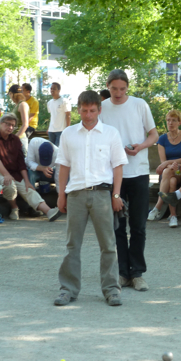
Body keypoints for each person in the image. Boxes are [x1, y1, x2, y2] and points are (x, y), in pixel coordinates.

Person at [54, 90, 128, 307]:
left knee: (108, 245)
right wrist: (61, 194)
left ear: (99, 110)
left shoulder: (111, 133)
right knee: (72, 245)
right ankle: (67, 290)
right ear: (78, 109)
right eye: (84, 110)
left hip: (102, 194)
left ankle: (112, 290)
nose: (88, 115)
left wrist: (116, 194)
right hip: (76, 194)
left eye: (92, 111)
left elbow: (118, 166)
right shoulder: (68, 133)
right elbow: (63, 166)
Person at [100, 69, 158, 292]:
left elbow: (154, 134)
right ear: (108, 86)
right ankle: (123, 272)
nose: (118, 93)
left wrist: (140, 146)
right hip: (113, 175)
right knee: (117, 226)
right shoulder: (102, 108)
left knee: (138, 225)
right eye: (114, 88)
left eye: (122, 89)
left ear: (127, 87)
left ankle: (137, 273)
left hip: (139, 172)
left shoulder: (139, 104)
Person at [0, 113, 61, 222]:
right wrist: (6, 174)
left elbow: (21, 162)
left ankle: (49, 211)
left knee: (29, 189)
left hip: (17, 172)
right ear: (1, 124)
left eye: (13, 125)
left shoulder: (15, 139)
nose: (10, 127)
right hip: (1, 172)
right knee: (9, 185)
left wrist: (27, 181)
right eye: (7, 124)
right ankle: (14, 208)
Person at [148, 110, 181, 227]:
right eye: (168, 120)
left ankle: (158, 206)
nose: (170, 123)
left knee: (168, 172)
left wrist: (169, 163)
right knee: (171, 180)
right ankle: (173, 216)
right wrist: (169, 165)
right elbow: (163, 161)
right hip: (167, 172)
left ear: (179, 122)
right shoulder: (162, 139)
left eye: (173, 120)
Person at [47, 82, 71, 146]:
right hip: (51, 131)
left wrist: (67, 129)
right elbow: (52, 116)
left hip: (61, 130)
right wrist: (49, 128)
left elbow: (68, 115)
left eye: (54, 89)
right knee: (51, 149)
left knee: (58, 149)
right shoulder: (49, 103)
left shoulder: (64, 101)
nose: (52, 90)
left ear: (59, 90)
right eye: (51, 88)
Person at [8, 85, 30, 155]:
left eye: (9, 95)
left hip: (20, 139)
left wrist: (15, 138)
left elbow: (25, 124)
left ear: (11, 94)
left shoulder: (22, 104)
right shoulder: (17, 105)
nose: (10, 97)